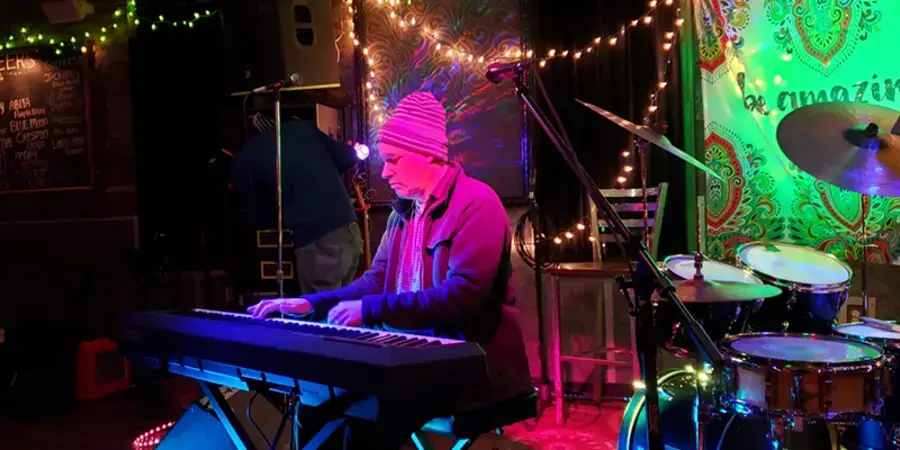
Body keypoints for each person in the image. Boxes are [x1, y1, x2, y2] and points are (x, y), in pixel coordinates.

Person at [247, 92, 533, 448]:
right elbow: (375, 281)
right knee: (314, 404)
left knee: (363, 425)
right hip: (411, 358)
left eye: (394, 161)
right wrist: (309, 304)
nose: (384, 172)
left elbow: (463, 297)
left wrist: (369, 310)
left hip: (470, 368)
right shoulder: (404, 212)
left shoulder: (477, 203)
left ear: (428, 155)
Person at [230, 115, 363, 294]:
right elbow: (347, 157)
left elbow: (256, 212)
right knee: (340, 313)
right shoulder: (303, 128)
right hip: (350, 232)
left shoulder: (246, 156)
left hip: (319, 240)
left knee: (319, 313)